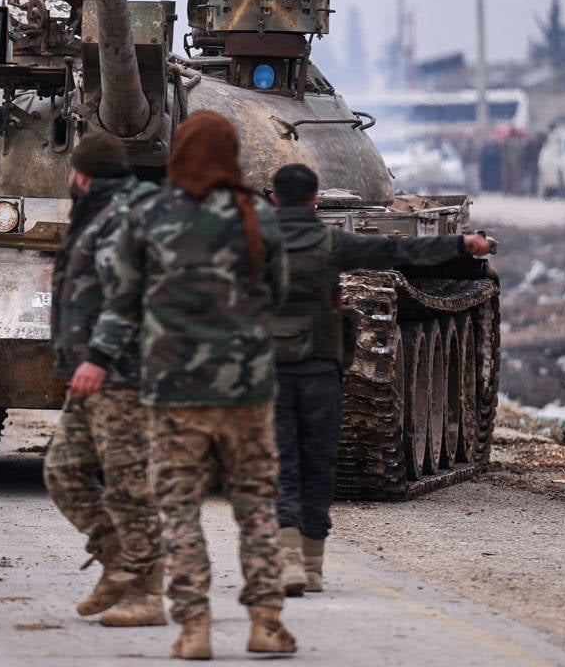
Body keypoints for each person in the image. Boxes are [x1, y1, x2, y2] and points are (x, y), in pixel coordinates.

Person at [92, 111, 294, 659]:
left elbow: (123, 299)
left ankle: (194, 627)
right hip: (246, 391)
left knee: (179, 509)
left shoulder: (149, 213)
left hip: (173, 390)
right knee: (255, 505)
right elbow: (276, 294)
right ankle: (266, 622)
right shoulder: (257, 214)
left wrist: (99, 358)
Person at [267, 163, 492, 597]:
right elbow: (398, 253)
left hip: (271, 370)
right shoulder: (331, 241)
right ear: (316, 200)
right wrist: (463, 244)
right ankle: (311, 566)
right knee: (318, 464)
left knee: (282, 464)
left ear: (274, 199)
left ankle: (288, 558)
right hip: (321, 371)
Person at [43, 132, 164, 627]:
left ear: (83, 174)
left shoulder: (121, 218)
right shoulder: (101, 211)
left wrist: (98, 356)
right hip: (92, 375)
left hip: (121, 374)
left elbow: (128, 297)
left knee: (128, 486)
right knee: (63, 470)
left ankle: (147, 593)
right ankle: (118, 561)